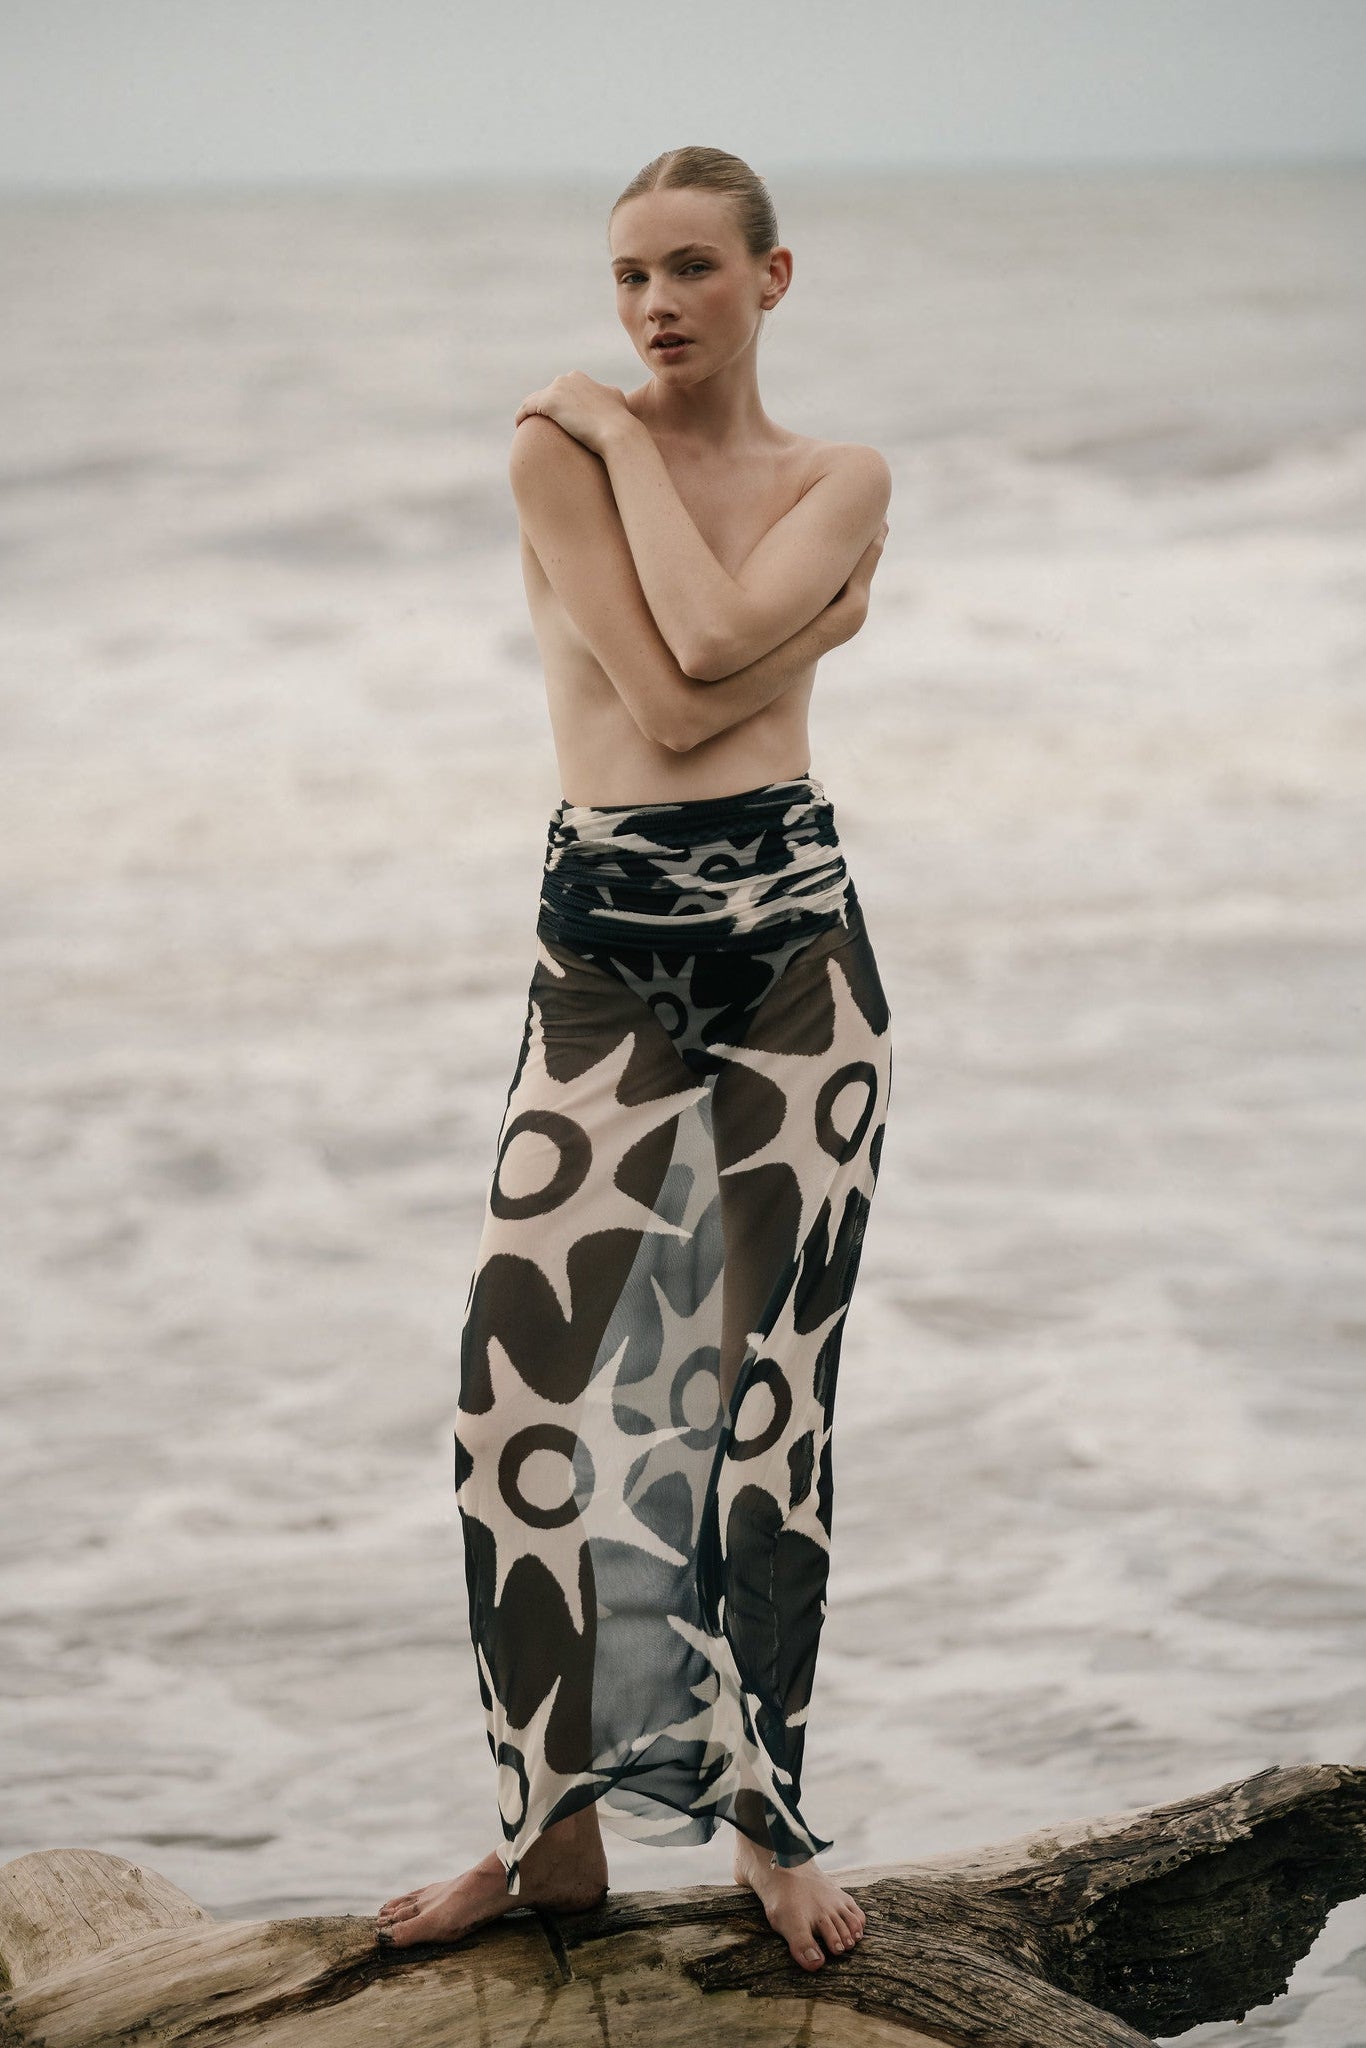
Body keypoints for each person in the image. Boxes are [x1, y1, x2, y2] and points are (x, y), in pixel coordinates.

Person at [377, 145, 892, 1976]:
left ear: (771, 276)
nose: (651, 308)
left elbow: (697, 656)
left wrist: (655, 474)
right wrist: (798, 612)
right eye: (624, 280)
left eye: (688, 268)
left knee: (761, 1412)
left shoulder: (843, 474)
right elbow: (683, 694)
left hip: (796, 973)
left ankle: (762, 1821)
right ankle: (551, 1832)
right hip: (604, 960)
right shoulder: (551, 450)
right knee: (514, 1403)